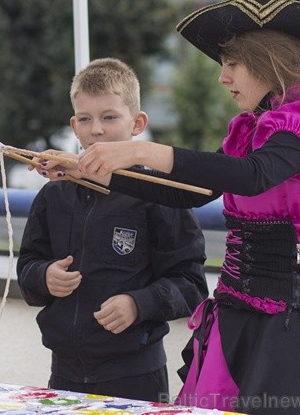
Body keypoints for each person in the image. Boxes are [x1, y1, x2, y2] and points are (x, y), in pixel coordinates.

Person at [36, 0, 300, 414]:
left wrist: (139, 152)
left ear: (266, 63)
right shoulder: (251, 129)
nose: (223, 78)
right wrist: (88, 170)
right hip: (237, 319)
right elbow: (190, 192)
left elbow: (254, 176)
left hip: (286, 330)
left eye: (232, 64)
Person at [16, 58, 208, 402]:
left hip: (136, 375)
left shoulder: (159, 195)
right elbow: (27, 267)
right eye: (86, 119)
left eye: (109, 117)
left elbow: (191, 284)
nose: (97, 130)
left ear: (137, 123)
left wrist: (140, 304)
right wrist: (43, 276)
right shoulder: (53, 193)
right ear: (74, 126)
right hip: (64, 373)